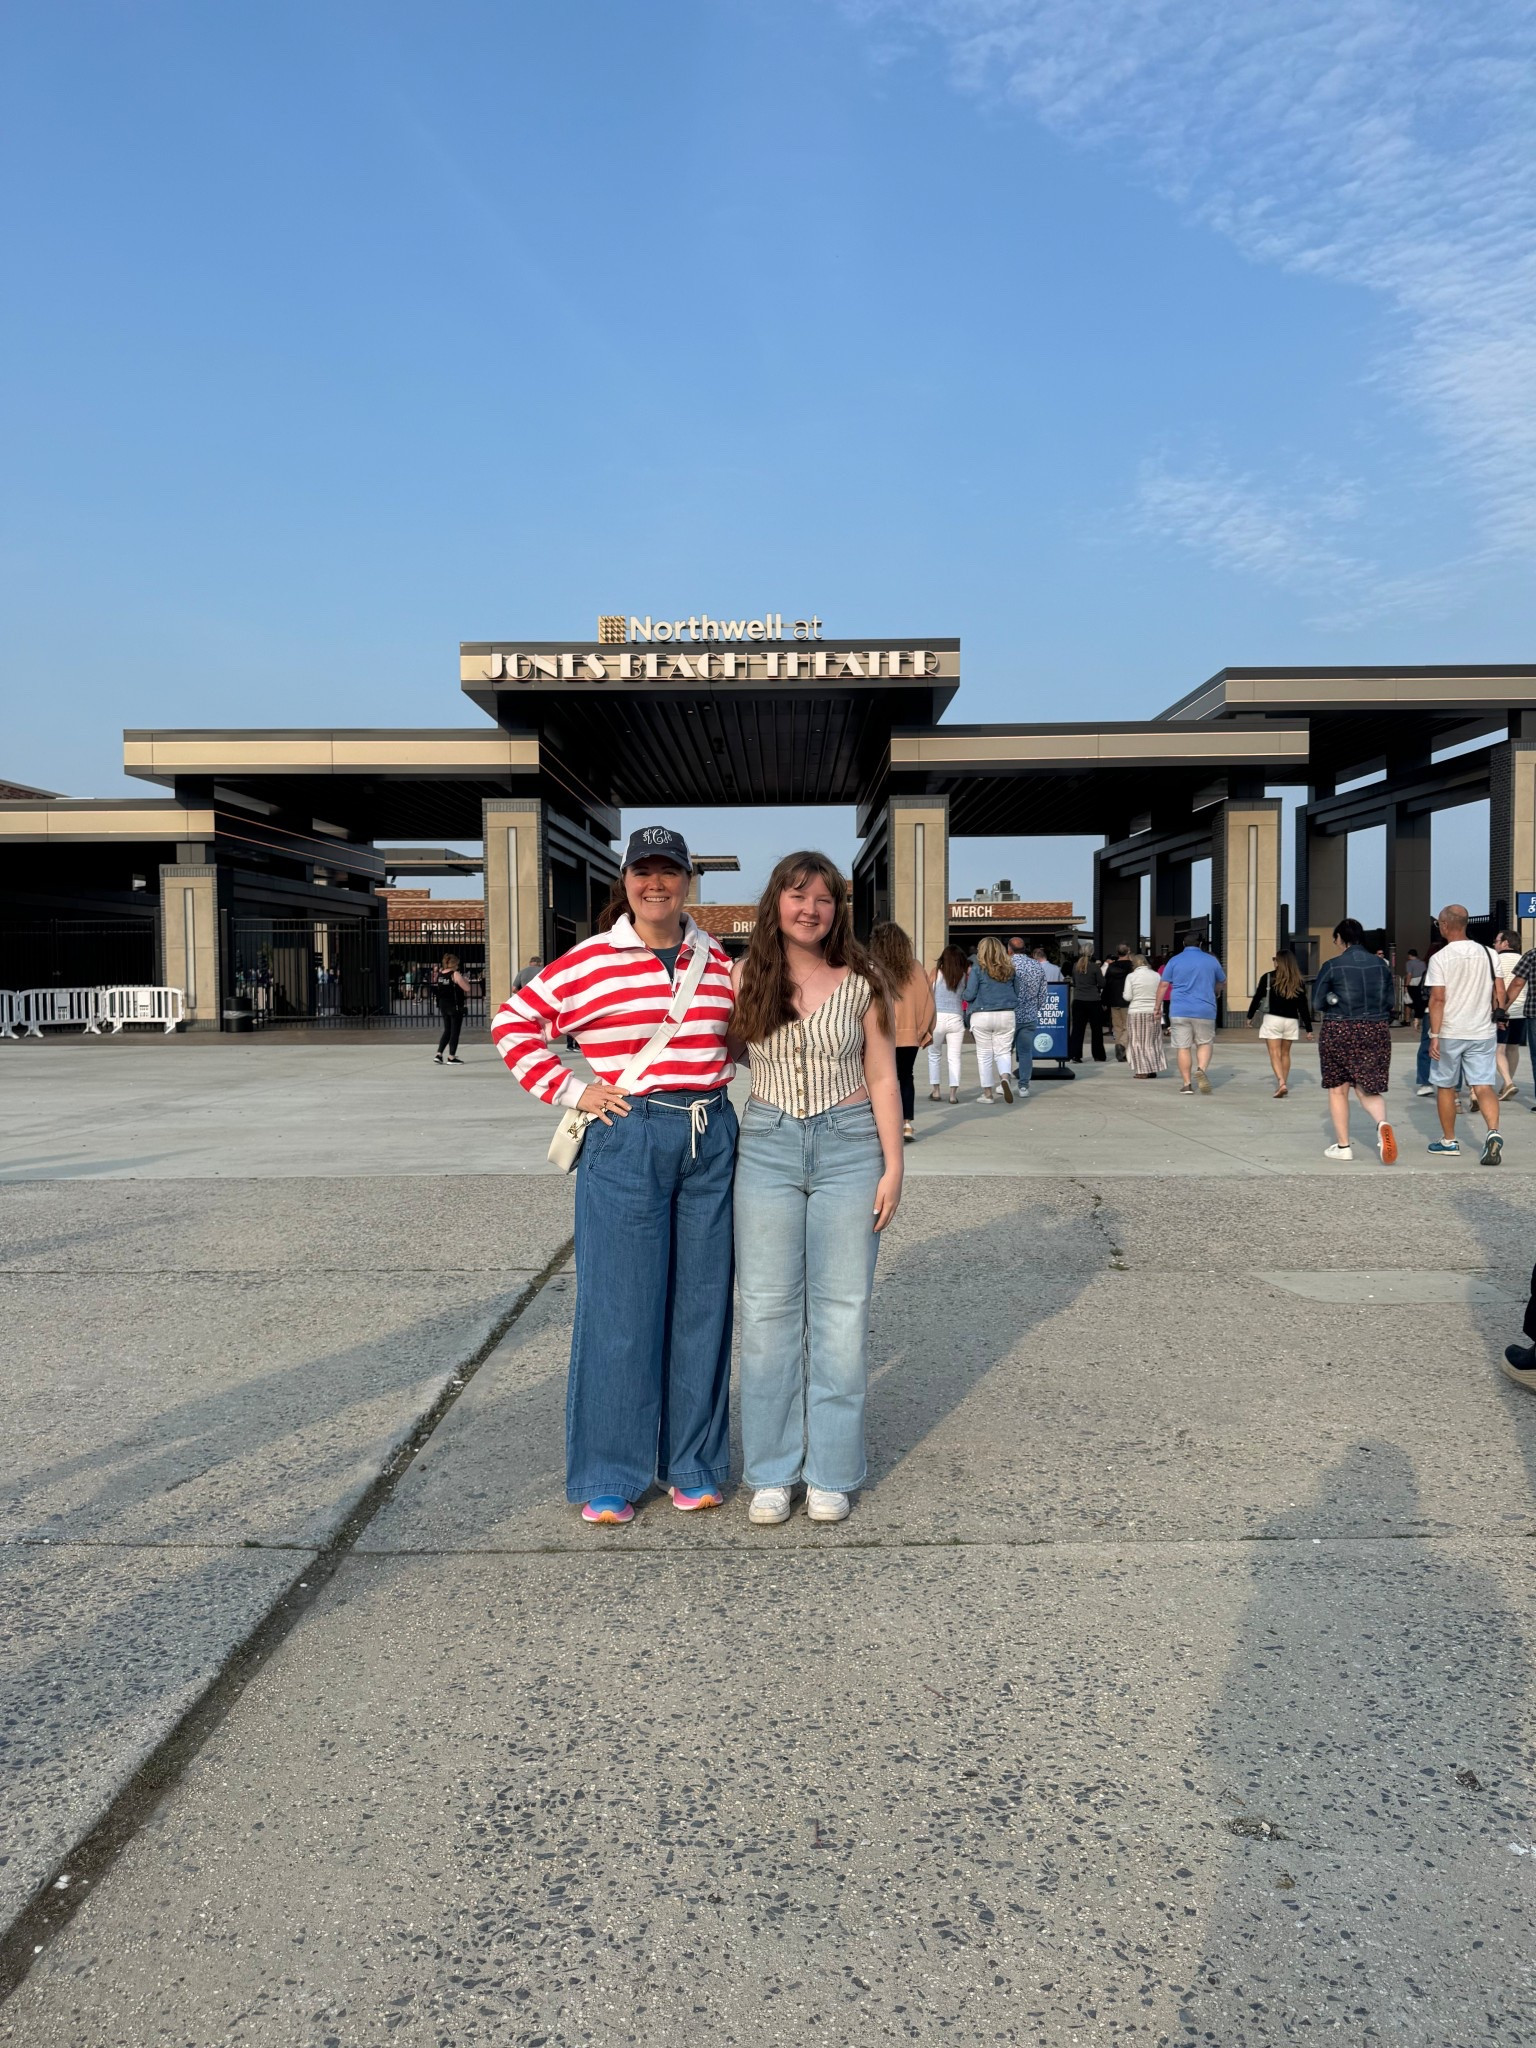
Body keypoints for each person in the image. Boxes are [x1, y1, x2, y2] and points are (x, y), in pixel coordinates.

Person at [489, 826, 737, 1526]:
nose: (656, 884)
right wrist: (573, 1091)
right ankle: (610, 1472)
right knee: (620, 1311)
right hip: (628, 1135)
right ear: (625, 881)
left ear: (688, 879)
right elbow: (514, 1022)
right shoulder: (592, 960)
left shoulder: (715, 958)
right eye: (643, 872)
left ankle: (693, 1463)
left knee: (703, 1308)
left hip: (709, 1135)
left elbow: (745, 1037)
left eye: (670, 871)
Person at [731, 851, 902, 1527]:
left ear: (838, 910)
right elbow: (712, 1054)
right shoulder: (744, 978)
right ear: (776, 902)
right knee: (768, 1315)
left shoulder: (863, 980)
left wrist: (893, 1166)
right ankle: (773, 1471)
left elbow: (885, 1077)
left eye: (824, 899)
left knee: (842, 1312)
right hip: (768, 1145)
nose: (811, 909)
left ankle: (830, 1470)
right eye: (798, 896)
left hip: (849, 1146)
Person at [1312, 916, 1397, 1164]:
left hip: (1339, 1029)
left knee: (1338, 1089)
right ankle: (1382, 1125)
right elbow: (1391, 1002)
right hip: (1375, 1029)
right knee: (1369, 1087)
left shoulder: (1332, 965)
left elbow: (1317, 1002)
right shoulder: (1381, 966)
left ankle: (1343, 1146)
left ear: (1341, 939)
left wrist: (1333, 1000)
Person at [1423, 904, 1502, 1163]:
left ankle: (1449, 1141)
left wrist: (1434, 1035)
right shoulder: (1490, 954)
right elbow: (1498, 992)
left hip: (1450, 1031)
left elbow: (1437, 999)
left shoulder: (1440, 958)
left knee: (1445, 1086)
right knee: (1483, 1085)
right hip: (1482, 1030)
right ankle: (1492, 1133)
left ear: (1445, 925)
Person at [869, 921, 935, 1142]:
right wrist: (923, 1030)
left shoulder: (871, 968)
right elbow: (928, 1002)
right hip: (909, 1035)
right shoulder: (915, 967)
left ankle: (881, 1125)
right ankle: (906, 1124)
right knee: (906, 1077)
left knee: (878, 1080)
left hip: (880, 1033)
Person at [1158, 935, 1226, 1095]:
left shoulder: (1174, 960)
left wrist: (1157, 1007)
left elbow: (1163, 984)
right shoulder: (1211, 961)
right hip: (1205, 1009)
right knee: (1204, 1043)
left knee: (1183, 1047)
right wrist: (1216, 990)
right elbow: (1222, 981)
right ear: (1201, 944)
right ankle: (1201, 1069)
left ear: (1183, 944)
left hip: (1179, 1010)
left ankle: (1187, 1084)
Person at [1246, 950, 1313, 1097]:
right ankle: (1283, 1083)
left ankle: (1281, 1082)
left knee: (1274, 1053)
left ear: (1279, 961)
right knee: (1285, 1053)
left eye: (1275, 959)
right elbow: (1303, 1006)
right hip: (1291, 1021)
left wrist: (1250, 1016)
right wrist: (1309, 1028)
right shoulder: (1298, 980)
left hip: (1273, 1019)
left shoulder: (1268, 977)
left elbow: (1257, 998)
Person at [963, 937, 1020, 1102]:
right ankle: (1004, 1078)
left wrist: (962, 995)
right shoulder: (1010, 968)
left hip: (982, 1015)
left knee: (984, 1054)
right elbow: (1017, 992)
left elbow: (970, 994)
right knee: (1003, 1051)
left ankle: (987, 1094)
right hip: (1006, 1014)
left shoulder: (977, 969)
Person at [928, 944, 969, 1104]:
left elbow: (928, 994)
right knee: (954, 1057)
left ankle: (936, 1091)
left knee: (934, 1055)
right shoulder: (963, 975)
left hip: (937, 1018)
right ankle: (953, 1094)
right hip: (956, 1018)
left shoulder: (935, 973)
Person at [1010, 940, 1049, 1097]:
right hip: (1029, 1015)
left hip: (1010, 1014)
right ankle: (1024, 1086)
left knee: (1004, 1051)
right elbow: (1043, 993)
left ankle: (1003, 1081)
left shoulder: (1007, 965)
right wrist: (1035, 1008)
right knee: (1026, 1052)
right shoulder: (1036, 965)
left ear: (1009, 950)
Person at [1492, 929, 1525, 1101]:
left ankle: (1508, 1082)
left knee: (1498, 1048)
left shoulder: (1495, 960)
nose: (1494, 944)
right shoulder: (1524, 959)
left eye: (1497, 941)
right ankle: (1506, 1087)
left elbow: (1495, 988)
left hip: (1503, 1009)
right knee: (1513, 1047)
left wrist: (1498, 1010)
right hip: (1521, 1011)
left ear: (1505, 943)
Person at [1123, 953, 1166, 1078]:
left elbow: (1128, 996)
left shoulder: (1131, 976)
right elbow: (1161, 993)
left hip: (1136, 1012)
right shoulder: (1156, 975)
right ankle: (1152, 1068)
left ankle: (1142, 1070)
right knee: (1152, 1041)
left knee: (1137, 1041)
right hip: (1153, 1010)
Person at [431, 952, 473, 1064]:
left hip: (443, 1005)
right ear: (454, 964)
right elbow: (467, 988)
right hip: (455, 1006)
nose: (458, 966)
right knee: (455, 1032)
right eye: (457, 964)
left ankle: (439, 1054)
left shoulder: (440, 974)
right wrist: (465, 980)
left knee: (447, 1030)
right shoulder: (455, 974)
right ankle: (451, 1057)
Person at [1068, 949, 1107, 1063]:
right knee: (1096, 1029)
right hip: (1093, 999)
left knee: (1077, 1029)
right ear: (1092, 954)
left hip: (1079, 999)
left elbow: (1074, 982)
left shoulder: (1075, 966)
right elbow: (1102, 983)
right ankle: (1098, 1055)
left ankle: (1075, 1054)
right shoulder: (1094, 967)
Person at [1101, 944, 1134, 1062]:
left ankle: (1121, 1051)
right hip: (1127, 1000)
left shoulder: (1111, 966)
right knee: (1129, 1026)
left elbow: (1107, 984)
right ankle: (1122, 1045)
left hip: (1113, 1000)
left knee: (1118, 1027)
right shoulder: (1132, 966)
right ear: (1128, 952)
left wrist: (1104, 1000)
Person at [1404, 949, 1428, 1020]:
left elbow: (1409, 974)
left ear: (1410, 955)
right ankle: (1420, 1017)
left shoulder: (1409, 963)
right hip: (1422, 982)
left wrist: (1406, 985)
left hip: (1413, 981)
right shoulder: (1422, 963)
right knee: (1420, 999)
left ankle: (1407, 1019)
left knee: (1408, 1000)